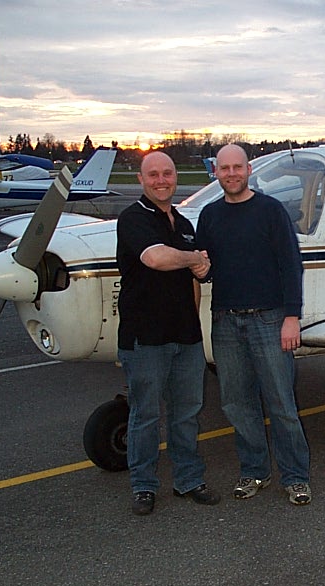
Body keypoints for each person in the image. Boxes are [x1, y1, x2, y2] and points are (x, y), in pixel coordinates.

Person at [196, 144, 312, 505]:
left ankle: (295, 477)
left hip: (270, 318)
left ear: (249, 170)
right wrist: (201, 269)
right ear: (216, 171)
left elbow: (291, 265)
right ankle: (254, 471)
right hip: (226, 322)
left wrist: (291, 317)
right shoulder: (210, 216)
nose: (231, 173)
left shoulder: (271, 211)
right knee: (236, 403)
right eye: (224, 168)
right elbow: (208, 266)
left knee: (281, 403)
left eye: (238, 167)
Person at [116, 151, 220, 515]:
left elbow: (197, 278)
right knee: (145, 414)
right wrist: (194, 258)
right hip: (146, 338)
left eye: (168, 174)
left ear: (175, 178)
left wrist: (197, 274)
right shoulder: (132, 219)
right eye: (153, 174)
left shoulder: (184, 223)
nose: (162, 180)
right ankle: (143, 485)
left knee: (187, 412)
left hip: (186, 336)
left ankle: (188, 479)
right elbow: (156, 259)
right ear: (141, 181)